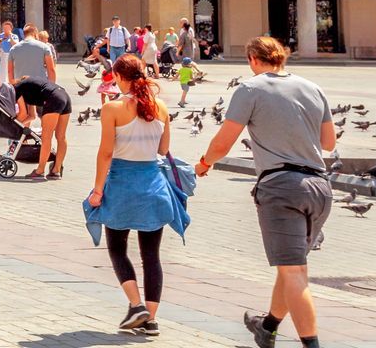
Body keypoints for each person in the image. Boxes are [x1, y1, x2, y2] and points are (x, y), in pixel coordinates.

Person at [193, 36, 336, 348]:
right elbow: (328, 143)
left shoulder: (250, 88)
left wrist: (204, 163)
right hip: (320, 189)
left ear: (253, 60)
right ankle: (267, 326)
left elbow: (224, 141)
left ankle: (311, 344)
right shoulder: (313, 88)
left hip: (282, 187)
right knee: (290, 267)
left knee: (295, 272)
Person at [85, 54, 180, 336]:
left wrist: (98, 189)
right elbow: (163, 150)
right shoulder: (160, 107)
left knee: (117, 247)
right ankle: (150, 320)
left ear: (119, 77)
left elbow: (105, 153)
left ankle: (136, 305)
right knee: (151, 254)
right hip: (153, 185)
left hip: (122, 184)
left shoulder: (112, 108)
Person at [15, 72, 72, 179]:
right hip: (64, 96)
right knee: (61, 136)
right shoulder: (33, 87)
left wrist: (13, 125)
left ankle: (40, 171)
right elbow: (32, 115)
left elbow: (22, 113)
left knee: (46, 137)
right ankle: (56, 170)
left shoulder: (17, 88)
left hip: (53, 99)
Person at [8, 23, 56, 123]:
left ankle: (19, 136)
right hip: (40, 86)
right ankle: (44, 136)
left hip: (21, 86)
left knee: (25, 114)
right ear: (35, 33)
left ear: (24, 34)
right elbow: (51, 69)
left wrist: (14, 84)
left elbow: (10, 72)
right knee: (44, 116)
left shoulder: (13, 49)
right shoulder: (44, 47)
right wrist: (52, 88)